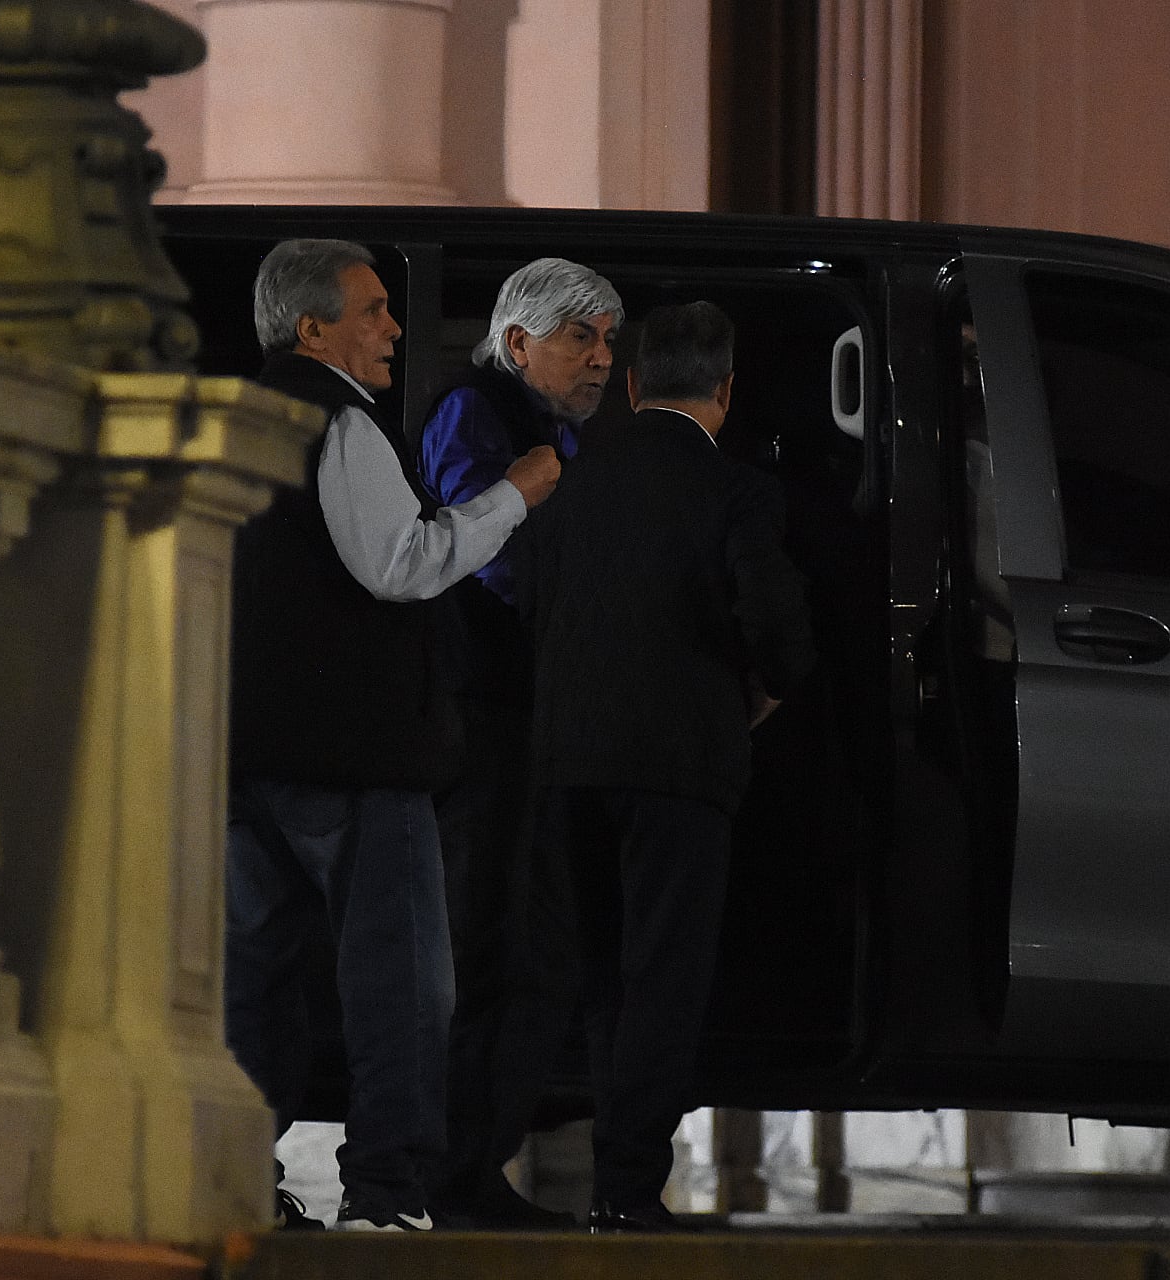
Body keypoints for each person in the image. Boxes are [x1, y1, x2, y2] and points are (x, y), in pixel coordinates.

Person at [224, 239, 562, 1233]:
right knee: (401, 980)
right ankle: (387, 1190)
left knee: (256, 979)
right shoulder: (341, 422)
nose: (394, 328)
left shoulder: (239, 419)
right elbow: (401, 563)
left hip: (248, 757)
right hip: (360, 758)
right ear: (312, 327)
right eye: (372, 310)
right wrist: (515, 495)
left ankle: (239, 1174)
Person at [515, 301, 815, 1233]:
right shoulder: (738, 494)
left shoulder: (572, 482)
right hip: (680, 766)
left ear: (636, 386)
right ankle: (629, 1188)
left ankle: (612, 1178)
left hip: (570, 762)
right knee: (664, 976)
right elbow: (780, 635)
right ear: (726, 391)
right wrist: (757, 697)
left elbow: (532, 602)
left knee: (604, 975)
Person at [414, 258, 623, 1230]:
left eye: (609, 339)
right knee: (483, 949)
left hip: (532, 725)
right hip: (480, 725)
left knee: (541, 955)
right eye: (582, 336)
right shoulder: (473, 412)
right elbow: (481, 550)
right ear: (519, 341)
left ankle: (472, 1163)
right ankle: (446, 1171)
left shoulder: (563, 437)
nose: (600, 358)